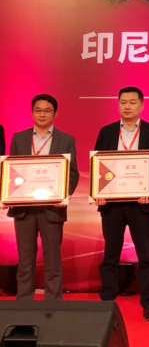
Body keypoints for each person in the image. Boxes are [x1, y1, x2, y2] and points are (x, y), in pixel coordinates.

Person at [94, 86, 149, 322]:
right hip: (112, 204)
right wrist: (99, 192)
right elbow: (98, 164)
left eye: (132, 102)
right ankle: (107, 304)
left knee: (145, 256)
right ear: (118, 105)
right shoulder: (106, 132)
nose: (127, 106)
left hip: (141, 204)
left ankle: (148, 305)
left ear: (142, 105)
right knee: (110, 255)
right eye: (123, 102)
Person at [5, 94, 79, 300]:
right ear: (32, 113)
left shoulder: (66, 140)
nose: (42, 114)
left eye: (47, 110)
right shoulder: (19, 138)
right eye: (38, 110)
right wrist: (7, 195)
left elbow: (72, 173)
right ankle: (24, 305)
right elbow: (11, 171)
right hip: (24, 209)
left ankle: (53, 306)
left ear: (55, 113)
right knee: (25, 261)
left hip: (52, 208)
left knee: (53, 260)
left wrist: (64, 195)